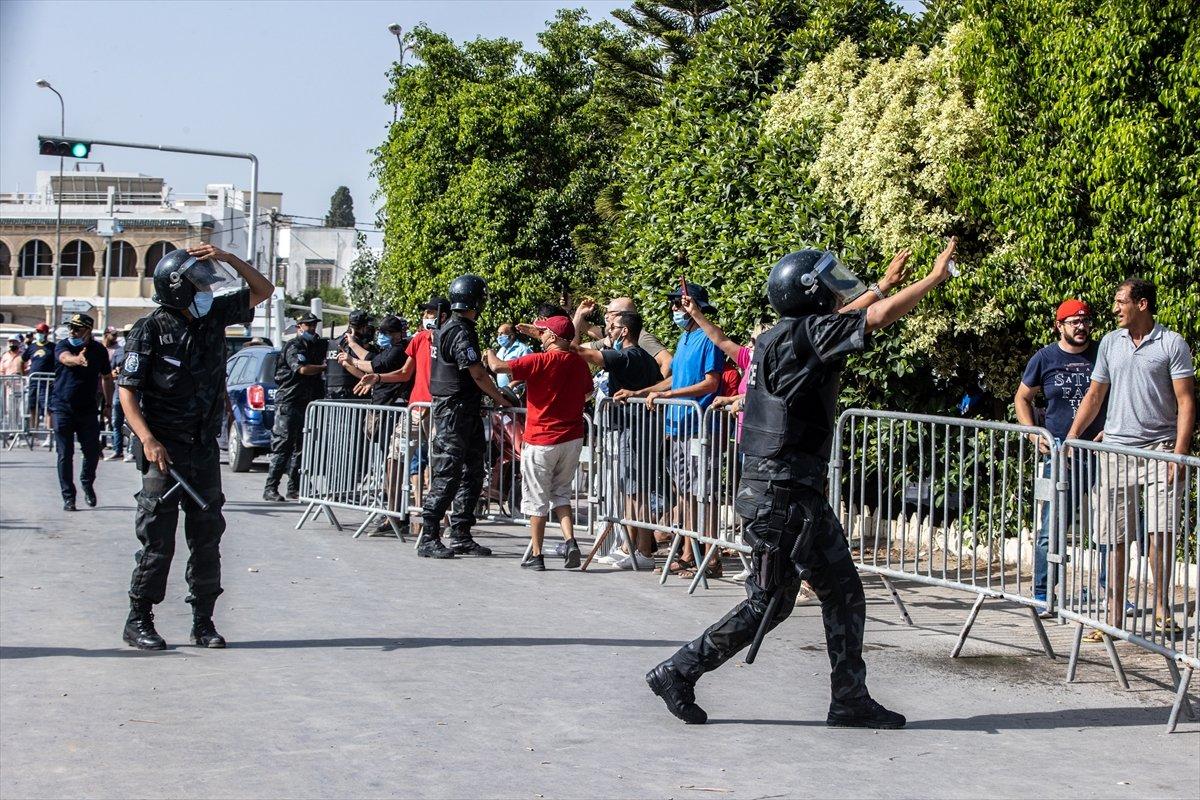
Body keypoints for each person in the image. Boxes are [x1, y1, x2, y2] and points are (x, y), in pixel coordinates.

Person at [646, 242, 953, 731]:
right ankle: (679, 671)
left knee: (831, 593)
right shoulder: (810, 334)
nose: (835, 294)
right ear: (811, 293)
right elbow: (874, 320)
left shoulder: (775, 337)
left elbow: (853, 314)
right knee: (775, 601)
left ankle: (848, 698)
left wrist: (882, 285)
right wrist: (932, 280)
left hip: (781, 492)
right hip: (786, 495)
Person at [117, 243, 273, 649]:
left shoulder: (214, 317)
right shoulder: (149, 330)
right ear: (176, 289)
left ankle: (203, 621)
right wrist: (147, 439)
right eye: (197, 283)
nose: (206, 290)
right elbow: (128, 394)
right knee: (158, 539)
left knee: (207, 535)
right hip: (163, 452)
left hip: (202, 447)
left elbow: (263, 289)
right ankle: (139, 619)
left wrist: (228, 259)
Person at [1066, 278, 1195, 642]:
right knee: (1115, 536)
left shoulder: (1172, 344)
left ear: (1142, 304)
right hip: (1117, 450)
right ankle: (1113, 617)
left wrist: (1179, 454)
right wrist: (1073, 436)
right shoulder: (1110, 342)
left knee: (1161, 532)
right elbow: (1095, 394)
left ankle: (1161, 607)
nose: (1114, 308)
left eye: (1121, 301)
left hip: (1160, 449)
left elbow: (1186, 402)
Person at [613, 283, 724, 579]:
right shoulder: (685, 338)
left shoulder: (708, 338)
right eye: (675, 304)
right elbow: (674, 381)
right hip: (677, 427)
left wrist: (668, 397)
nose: (675, 309)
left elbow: (710, 384)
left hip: (698, 429)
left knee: (703, 494)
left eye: (680, 304)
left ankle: (711, 558)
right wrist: (641, 391)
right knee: (684, 494)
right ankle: (689, 553)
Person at [1014, 299, 1106, 614]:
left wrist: (1113, 427)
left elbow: (1119, 394)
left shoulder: (1102, 354)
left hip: (1104, 452)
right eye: (1074, 321)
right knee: (1050, 526)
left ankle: (1112, 592)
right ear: (1060, 325)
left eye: (1086, 321)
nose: (1082, 327)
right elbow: (1022, 397)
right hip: (1061, 456)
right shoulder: (1045, 358)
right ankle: (1042, 592)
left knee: (1109, 528)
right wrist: (1031, 431)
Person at [485, 316, 593, 570]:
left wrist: (488, 349)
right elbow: (587, 392)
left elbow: (499, 367)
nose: (541, 337)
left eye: (544, 333)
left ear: (552, 337)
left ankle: (536, 553)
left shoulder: (538, 360)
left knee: (536, 499)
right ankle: (570, 541)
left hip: (541, 437)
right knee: (561, 493)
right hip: (572, 436)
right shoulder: (578, 363)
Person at [418, 275, 511, 559]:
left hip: (464, 410)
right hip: (454, 411)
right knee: (448, 473)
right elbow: (477, 373)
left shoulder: (453, 327)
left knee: (473, 473)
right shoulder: (459, 330)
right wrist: (501, 398)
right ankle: (429, 536)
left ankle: (461, 533)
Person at [573, 311, 663, 569]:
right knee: (633, 491)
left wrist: (578, 316)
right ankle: (633, 548)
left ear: (624, 331)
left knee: (636, 493)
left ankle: (644, 551)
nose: (607, 329)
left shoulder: (625, 355)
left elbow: (575, 350)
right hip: (638, 429)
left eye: (612, 326)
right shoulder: (645, 358)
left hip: (630, 431)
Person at [50, 313, 113, 511]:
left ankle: (87, 482)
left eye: (77, 328)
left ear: (88, 330)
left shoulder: (99, 350)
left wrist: (108, 405)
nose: (72, 331)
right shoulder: (63, 345)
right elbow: (65, 359)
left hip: (87, 409)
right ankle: (68, 497)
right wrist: (77, 359)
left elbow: (106, 377)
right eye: (71, 327)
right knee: (64, 454)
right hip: (62, 408)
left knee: (93, 451)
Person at [264, 312, 327, 502]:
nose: (312, 328)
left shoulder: (315, 345)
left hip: (307, 403)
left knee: (302, 447)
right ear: (299, 327)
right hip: (289, 402)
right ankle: (270, 488)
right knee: (283, 446)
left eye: (314, 325)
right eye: (308, 325)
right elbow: (302, 369)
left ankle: (294, 488)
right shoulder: (294, 345)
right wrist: (323, 367)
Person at [573, 296, 673, 378]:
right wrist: (579, 315)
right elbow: (576, 348)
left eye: (611, 313)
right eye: (606, 313)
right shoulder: (614, 339)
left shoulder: (642, 337)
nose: (606, 317)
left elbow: (668, 361)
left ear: (625, 316)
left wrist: (654, 390)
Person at [326, 309, 375, 400]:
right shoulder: (351, 341)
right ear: (363, 326)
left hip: (333, 392)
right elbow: (346, 363)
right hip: (348, 392)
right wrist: (366, 379)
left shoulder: (337, 340)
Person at [23, 322, 56, 445]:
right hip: (33, 382)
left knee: (47, 408)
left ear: (46, 333)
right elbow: (22, 360)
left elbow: (58, 364)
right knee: (33, 407)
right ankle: (34, 435)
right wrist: (23, 375)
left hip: (46, 382)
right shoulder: (32, 347)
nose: (39, 334)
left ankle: (48, 435)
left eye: (41, 332)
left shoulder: (52, 347)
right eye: (38, 332)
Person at [494, 323, 533, 388]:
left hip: (519, 393)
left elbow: (529, 371)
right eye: (498, 334)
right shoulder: (500, 351)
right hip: (504, 393)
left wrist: (513, 384)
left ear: (511, 336)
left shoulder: (523, 349)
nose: (498, 337)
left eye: (501, 334)